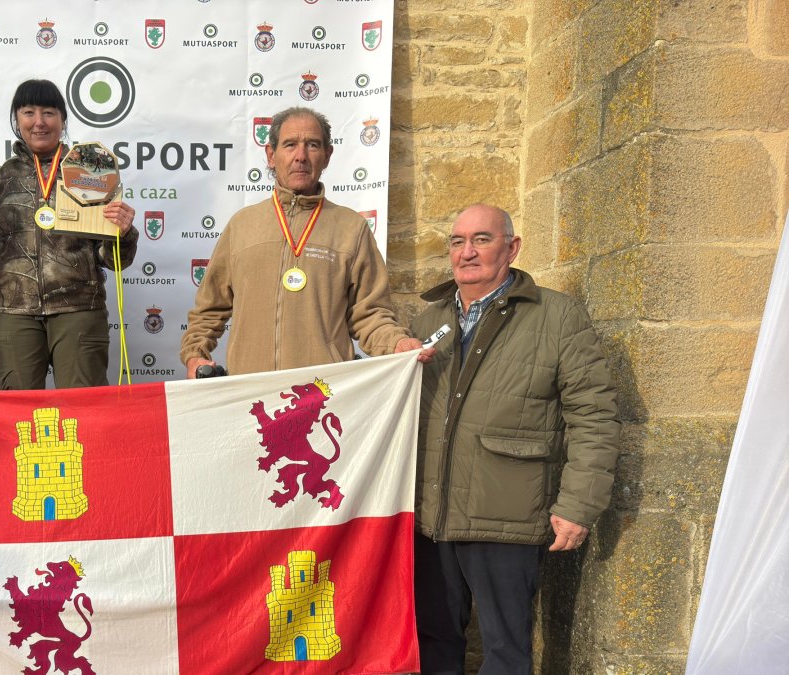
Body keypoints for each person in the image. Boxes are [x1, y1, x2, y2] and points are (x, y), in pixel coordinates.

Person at [410, 203, 620, 674]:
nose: (467, 252)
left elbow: (595, 414)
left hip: (506, 513)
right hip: (430, 516)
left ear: (512, 247)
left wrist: (579, 504)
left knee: (506, 651)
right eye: (457, 241)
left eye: (482, 239)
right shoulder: (426, 323)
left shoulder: (558, 315)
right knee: (432, 645)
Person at [180, 106, 428, 377]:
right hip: (249, 393)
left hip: (321, 397)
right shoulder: (241, 225)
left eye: (312, 145)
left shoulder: (351, 228)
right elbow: (209, 309)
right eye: (290, 145)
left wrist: (396, 342)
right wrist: (195, 355)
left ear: (327, 156)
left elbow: (370, 314)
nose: (301, 156)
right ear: (271, 155)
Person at [0, 79, 138, 390]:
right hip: (14, 314)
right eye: (28, 112)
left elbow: (111, 259)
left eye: (49, 113)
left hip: (79, 311)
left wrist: (123, 233)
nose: (38, 122)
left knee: (84, 417)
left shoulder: (90, 171)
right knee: (15, 420)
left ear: (63, 119)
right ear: (17, 120)